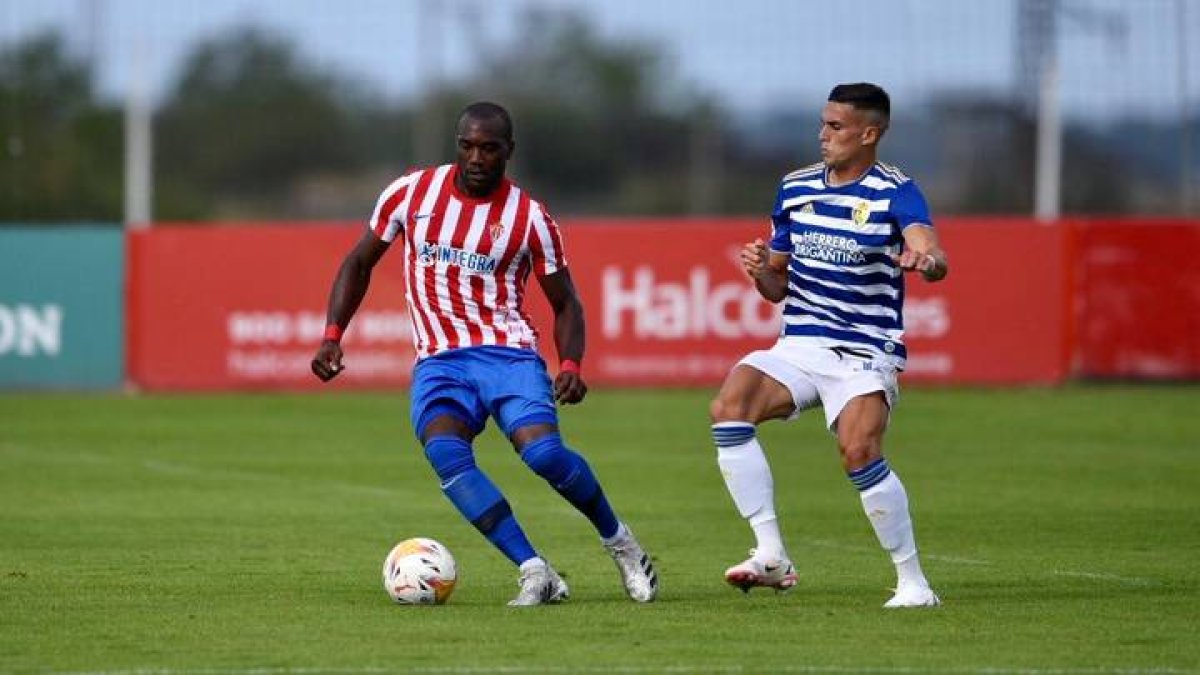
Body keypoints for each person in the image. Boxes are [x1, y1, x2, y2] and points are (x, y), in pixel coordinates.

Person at [311, 101, 658, 607]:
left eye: (489, 148)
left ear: (508, 151)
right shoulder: (410, 194)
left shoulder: (530, 218)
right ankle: (535, 570)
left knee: (541, 453)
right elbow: (358, 261)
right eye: (467, 146)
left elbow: (567, 303)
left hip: (508, 356)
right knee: (447, 455)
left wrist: (570, 364)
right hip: (440, 363)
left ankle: (621, 542)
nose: (476, 157)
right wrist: (332, 333)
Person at [710, 83, 945, 608]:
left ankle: (913, 583)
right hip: (801, 344)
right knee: (730, 407)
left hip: (865, 352)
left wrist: (925, 261)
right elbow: (777, 285)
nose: (823, 135)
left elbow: (931, 251)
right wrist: (758, 274)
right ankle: (770, 555)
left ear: (869, 133)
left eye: (836, 127)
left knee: (859, 451)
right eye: (823, 123)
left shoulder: (895, 190)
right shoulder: (794, 188)